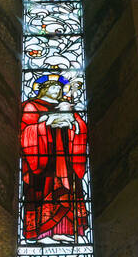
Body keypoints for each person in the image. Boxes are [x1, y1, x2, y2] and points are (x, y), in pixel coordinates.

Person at [20, 76, 89, 242]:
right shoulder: (32, 105)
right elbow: (26, 131)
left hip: (64, 158)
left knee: (68, 193)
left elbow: (81, 128)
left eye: (59, 89)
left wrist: (73, 122)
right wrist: (48, 122)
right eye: (53, 88)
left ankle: (65, 231)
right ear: (44, 89)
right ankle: (42, 233)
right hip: (43, 160)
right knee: (43, 191)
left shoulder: (66, 106)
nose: (57, 91)